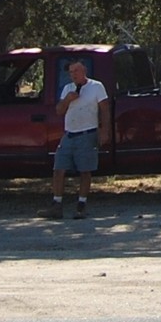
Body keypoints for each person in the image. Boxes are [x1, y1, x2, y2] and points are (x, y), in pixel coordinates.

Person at [50, 59, 110, 219]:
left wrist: (104, 130)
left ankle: (81, 205)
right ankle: (57, 205)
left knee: (85, 171)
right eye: (70, 72)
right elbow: (59, 111)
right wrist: (67, 99)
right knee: (58, 168)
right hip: (69, 134)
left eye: (76, 71)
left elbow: (104, 109)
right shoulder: (67, 89)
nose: (73, 75)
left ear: (84, 70)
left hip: (87, 134)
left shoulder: (96, 87)